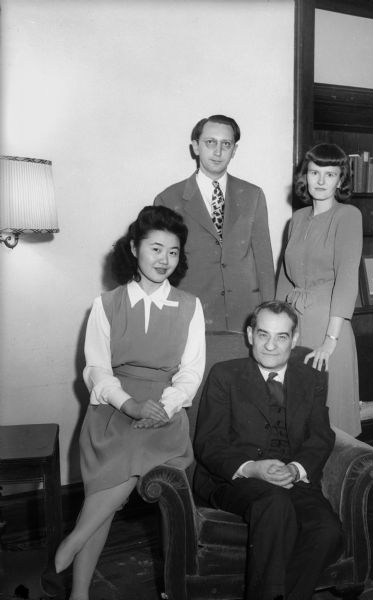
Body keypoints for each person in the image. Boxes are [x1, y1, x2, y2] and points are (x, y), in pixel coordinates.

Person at [41, 205, 205, 599]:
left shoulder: (189, 306)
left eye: (173, 252)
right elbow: (97, 369)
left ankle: (70, 546)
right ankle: (78, 589)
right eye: (155, 249)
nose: (164, 259)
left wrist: (166, 405)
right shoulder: (107, 304)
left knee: (123, 469)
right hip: (112, 410)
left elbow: (191, 371)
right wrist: (129, 404)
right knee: (109, 484)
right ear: (134, 248)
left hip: (165, 413)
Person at [194, 301, 342, 600]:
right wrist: (251, 468)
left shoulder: (312, 377)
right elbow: (209, 442)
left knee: (328, 531)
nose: (271, 346)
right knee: (275, 504)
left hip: (292, 478)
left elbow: (320, 436)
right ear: (250, 335)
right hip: (234, 479)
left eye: (281, 337)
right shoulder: (225, 375)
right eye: (263, 335)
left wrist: (296, 469)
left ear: (295, 339)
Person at [154, 114, 275, 332]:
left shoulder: (253, 195)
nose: (218, 151)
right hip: (193, 314)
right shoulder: (168, 199)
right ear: (196, 147)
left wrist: (269, 313)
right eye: (210, 142)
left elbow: (264, 260)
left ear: (234, 150)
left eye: (226, 144)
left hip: (245, 315)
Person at [276, 143, 363, 437]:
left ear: (341, 180)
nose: (321, 181)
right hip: (296, 324)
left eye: (330, 174)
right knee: (295, 414)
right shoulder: (297, 219)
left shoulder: (348, 216)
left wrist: (330, 341)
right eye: (315, 172)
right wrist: (276, 329)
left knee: (330, 421)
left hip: (329, 327)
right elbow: (285, 279)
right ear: (306, 176)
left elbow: (347, 279)